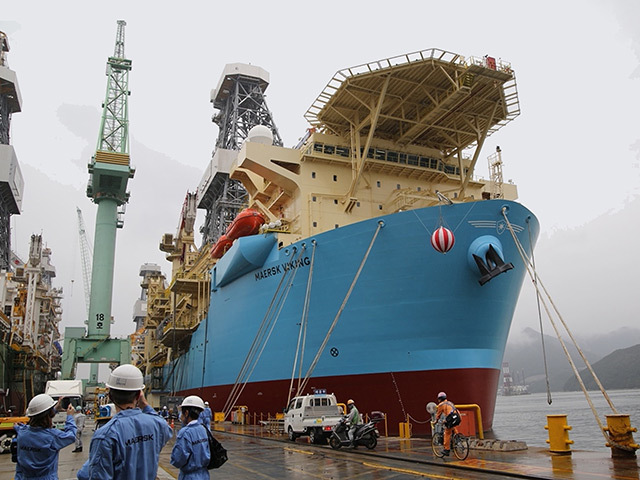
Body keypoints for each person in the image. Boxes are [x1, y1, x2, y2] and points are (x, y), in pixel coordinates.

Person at [77, 364, 173, 480]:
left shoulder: (105, 435)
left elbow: (89, 475)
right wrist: (145, 404)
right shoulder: (156, 425)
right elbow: (167, 430)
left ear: (110, 396)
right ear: (138, 395)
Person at [14, 393, 77, 480]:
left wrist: (54, 409)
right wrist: (69, 416)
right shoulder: (52, 436)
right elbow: (71, 435)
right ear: (50, 414)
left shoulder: (22, 432)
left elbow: (39, 417)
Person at [170, 395, 210, 479]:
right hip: (204, 475)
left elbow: (177, 459)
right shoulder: (203, 429)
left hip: (189, 476)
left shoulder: (185, 433)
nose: (180, 416)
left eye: (182, 412)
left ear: (187, 413)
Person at [435, 391, 458, 456]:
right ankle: (458, 439)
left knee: (447, 433)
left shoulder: (441, 405)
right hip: (458, 417)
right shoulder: (450, 402)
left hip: (451, 418)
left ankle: (446, 450)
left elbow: (438, 415)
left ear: (440, 399)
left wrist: (435, 421)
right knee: (453, 427)